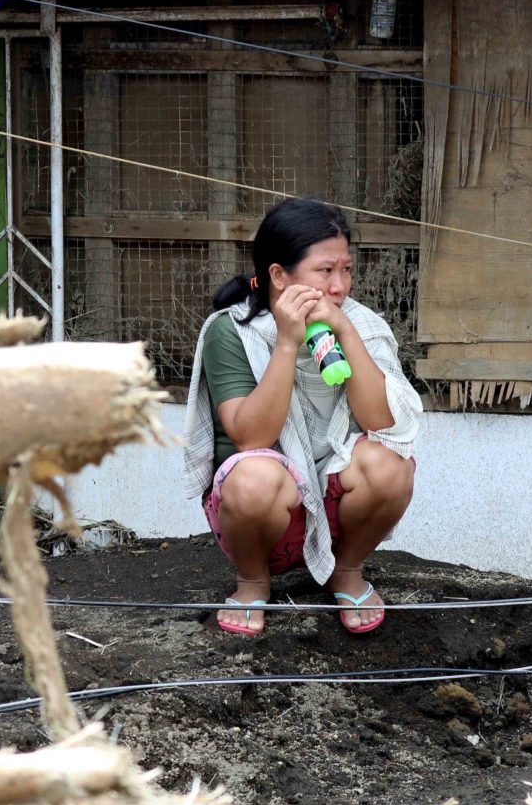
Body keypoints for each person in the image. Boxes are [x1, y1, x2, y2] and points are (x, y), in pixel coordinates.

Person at [181, 197, 422, 637]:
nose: (340, 286)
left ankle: (345, 571)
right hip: (263, 516)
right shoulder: (233, 330)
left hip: (334, 507)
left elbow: (382, 422)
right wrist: (288, 343)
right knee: (255, 475)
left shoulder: (361, 323)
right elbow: (251, 437)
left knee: (390, 466)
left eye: (346, 269)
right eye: (325, 271)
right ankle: (253, 582)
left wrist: (345, 332)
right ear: (278, 275)